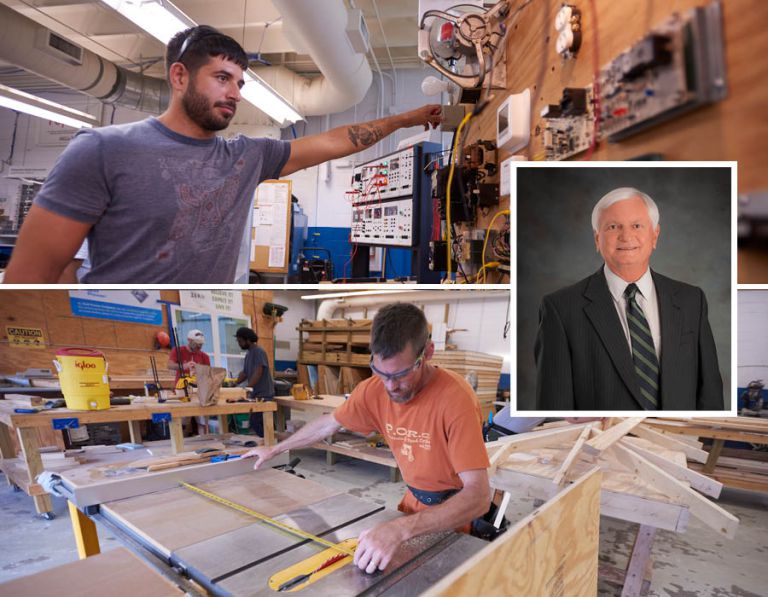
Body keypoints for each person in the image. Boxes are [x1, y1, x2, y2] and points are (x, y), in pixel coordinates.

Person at [3, 25, 442, 283]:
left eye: (239, 84)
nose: (234, 94)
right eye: (221, 78)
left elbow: (335, 141)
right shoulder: (102, 150)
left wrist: (406, 120)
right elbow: (30, 275)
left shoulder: (247, 156)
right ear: (179, 76)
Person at [242, 303, 490, 574]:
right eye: (381, 372)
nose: (390, 386)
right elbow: (328, 424)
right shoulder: (374, 390)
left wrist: (400, 530)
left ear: (427, 354)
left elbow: (478, 496)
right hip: (411, 503)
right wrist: (275, 449)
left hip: (453, 515)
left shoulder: (456, 400)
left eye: (401, 374)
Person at [535, 187, 723, 410]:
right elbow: (554, 410)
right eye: (613, 227)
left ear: (654, 235)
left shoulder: (692, 300)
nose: (626, 236)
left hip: (679, 441)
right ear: (597, 239)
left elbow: (710, 392)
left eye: (636, 226)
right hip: (602, 444)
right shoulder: (560, 309)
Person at [234, 326, 274, 437]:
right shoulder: (248, 354)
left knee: (256, 422)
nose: (239, 344)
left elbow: (258, 371)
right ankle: (266, 442)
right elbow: (245, 373)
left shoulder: (258, 352)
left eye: (240, 341)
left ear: (248, 340)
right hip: (255, 394)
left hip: (264, 394)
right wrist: (234, 383)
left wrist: (248, 387)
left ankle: (268, 444)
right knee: (256, 422)